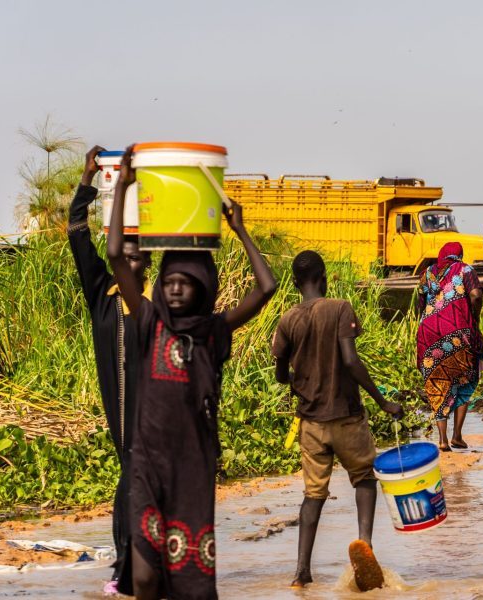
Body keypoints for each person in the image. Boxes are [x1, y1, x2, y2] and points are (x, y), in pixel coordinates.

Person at [107, 147, 278, 600]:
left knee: (190, 580)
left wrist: (240, 230)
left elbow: (267, 287)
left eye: (186, 281)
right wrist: (123, 184)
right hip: (148, 461)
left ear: (204, 287)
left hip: (192, 466)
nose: (176, 287)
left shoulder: (212, 332)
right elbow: (116, 258)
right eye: (169, 281)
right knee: (144, 579)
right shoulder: (148, 321)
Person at [272, 250, 405, 590]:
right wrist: (382, 401)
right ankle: (366, 546)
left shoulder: (288, 319)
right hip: (346, 417)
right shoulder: (340, 308)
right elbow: (350, 360)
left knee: (313, 495)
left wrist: (295, 376)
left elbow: (280, 375)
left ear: (296, 283)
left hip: (311, 425)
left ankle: (302, 572)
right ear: (323, 276)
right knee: (363, 479)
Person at [67, 145, 153, 595]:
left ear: (148, 264)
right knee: (130, 475)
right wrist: (88, 179)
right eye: (125, 256)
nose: (129, 263)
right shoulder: (103, 296)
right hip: (122, 415)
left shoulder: (160, 306)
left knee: (138, 480)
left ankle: (133, 567)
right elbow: (78, 234)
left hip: (157, 415)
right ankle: (127, 566)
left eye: (137, 258)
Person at [416, 242, 483, 451]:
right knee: (466, 378)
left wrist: (426, 318)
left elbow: (420, 299)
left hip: (428, 336)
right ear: (460, 255)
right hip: (458, 333)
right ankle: (457, 436)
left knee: (437, 383)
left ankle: (443, 440)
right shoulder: (466, 269)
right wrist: (475, 316)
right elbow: (476, 295)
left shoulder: (427, 273)